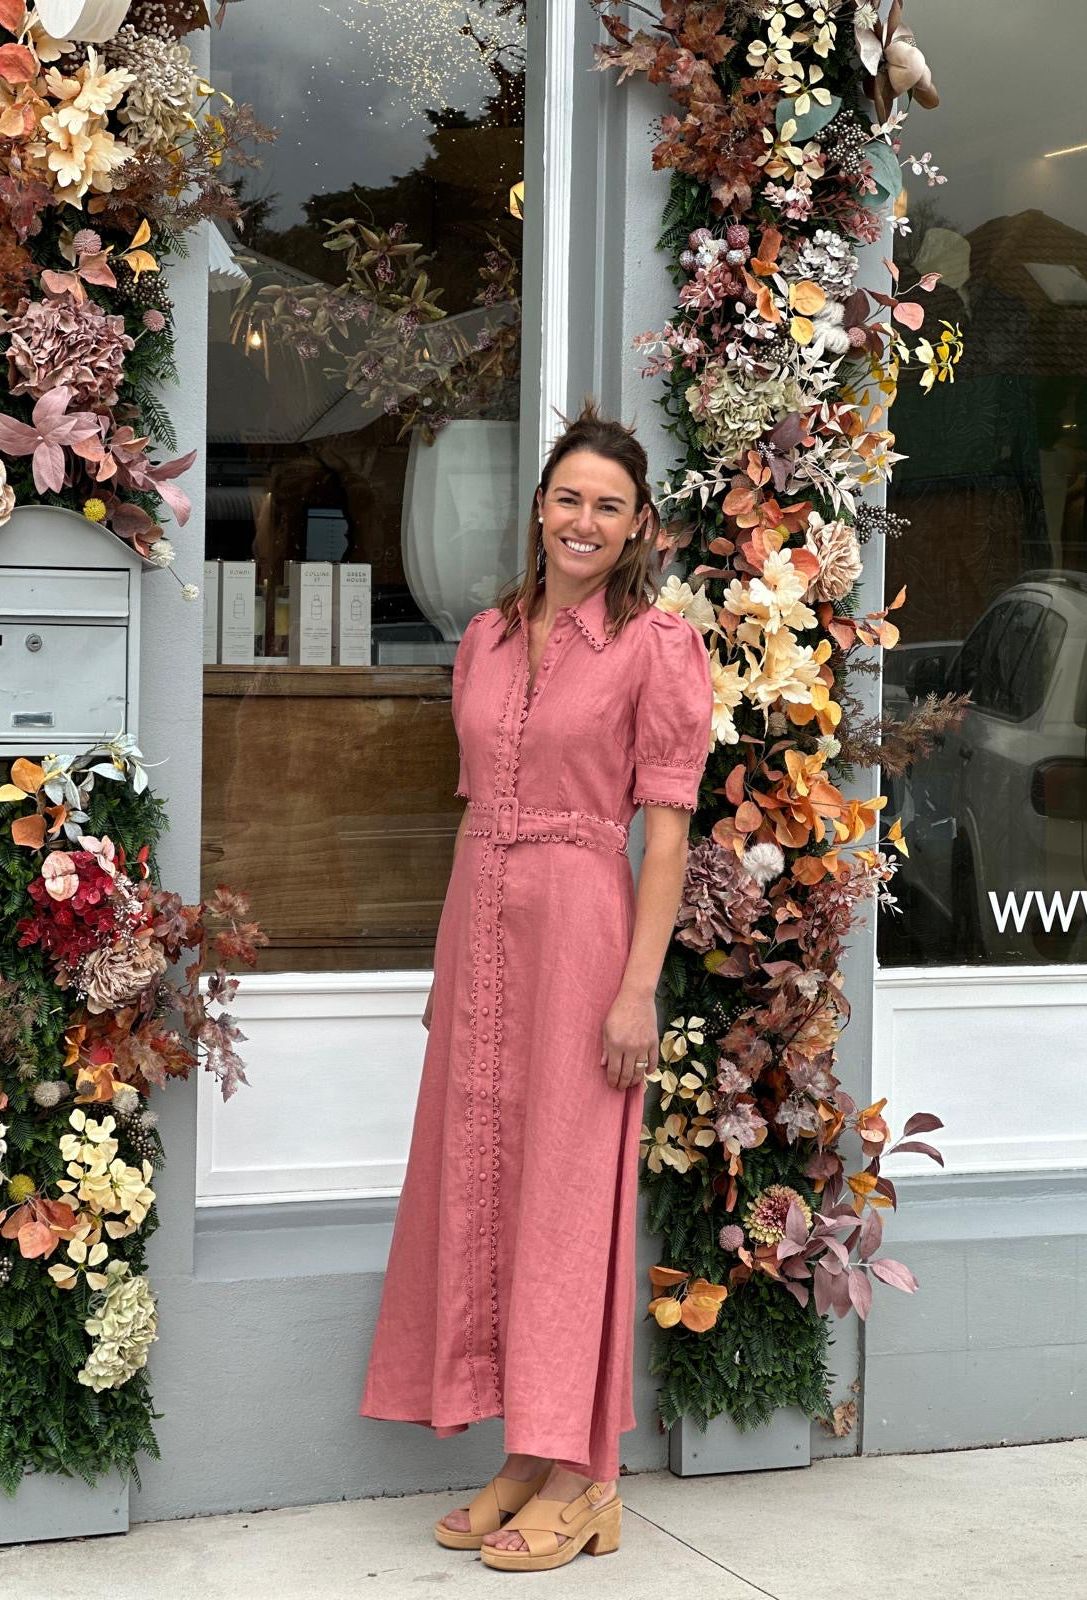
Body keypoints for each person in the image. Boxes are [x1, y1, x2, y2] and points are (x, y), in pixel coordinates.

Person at [359, 399, 715, 1573]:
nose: (584, 521)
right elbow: (475, 814)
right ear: (539, 509)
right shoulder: (487, 637)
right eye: (569, 497)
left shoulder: (656, 647)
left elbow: (665, 836)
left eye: (609, 505)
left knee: (569, 1198)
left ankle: (588, 1475)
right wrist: (446, 968)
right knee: (486, 1184)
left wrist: (638, 988)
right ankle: (527, 1451)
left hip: (581, 935)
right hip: (482, 935)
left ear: (638, 524)